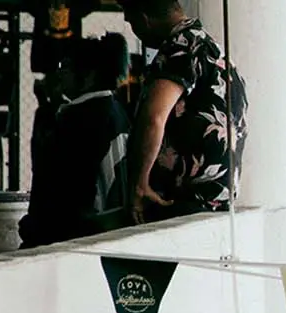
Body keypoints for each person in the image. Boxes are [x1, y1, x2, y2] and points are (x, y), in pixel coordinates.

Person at [124, 0, 247, 222]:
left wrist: (139, 184)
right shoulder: (216, 51)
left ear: (144, 19)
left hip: (180, 201)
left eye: (131, 21)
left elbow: (154, 117)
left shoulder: (180, 46)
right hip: (215, 201)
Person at [21, 37, 132, 247]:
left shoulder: (81, 120)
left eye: (67, 66)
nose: (60, 73)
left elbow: (63, 191)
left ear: (89, 75)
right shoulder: (114, 112)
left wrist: (36, 226)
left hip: (72, 237)